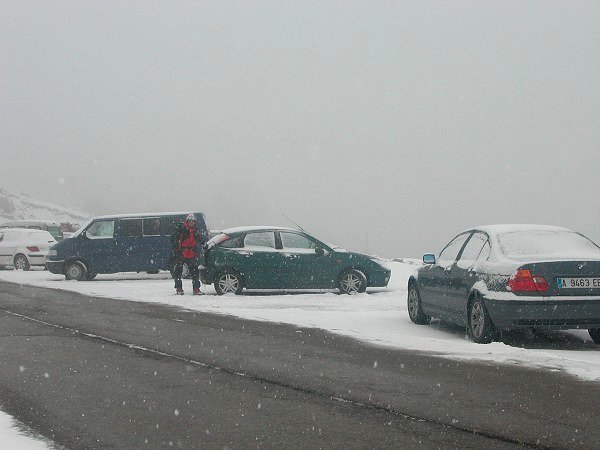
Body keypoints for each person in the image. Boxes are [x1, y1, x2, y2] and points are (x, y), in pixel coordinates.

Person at [171, 213, 205, 295]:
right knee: (178, 271)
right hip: (182, 252)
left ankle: (196, 289)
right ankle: (179, 289)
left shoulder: (195, 230)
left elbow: (200, 239)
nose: (191, 223)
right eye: (190, 221)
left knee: (195, 271)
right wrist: (177, 249)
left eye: (193, 221)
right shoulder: (182, 229)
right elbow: (174, 239)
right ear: (187, 221)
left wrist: (204, 243)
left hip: (191, 253)